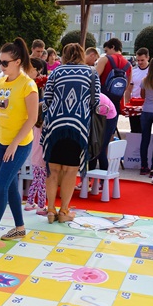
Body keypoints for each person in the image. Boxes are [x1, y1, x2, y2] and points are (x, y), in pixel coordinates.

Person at [0, 38, 38, 247]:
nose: (1, 66)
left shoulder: (28, 85)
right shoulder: (1, 82)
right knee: (10, 185)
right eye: (0, 62)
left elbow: (32, 119)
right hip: (1, 142)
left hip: (19, 144)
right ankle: (20, 228)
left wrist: (13, 145)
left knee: (0, 186)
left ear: (17, 61)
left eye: (5, 62)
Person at [41, 42, 100, 223]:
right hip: (78, 127)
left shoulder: (56, 72)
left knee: (53, 170)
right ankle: (64, 211)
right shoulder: (91, 73)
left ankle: (51, 209)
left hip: (54, 126)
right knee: (70, 170)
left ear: (64, 56)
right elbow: (95, 101)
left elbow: (47, 99)